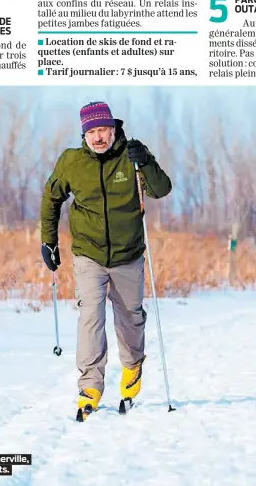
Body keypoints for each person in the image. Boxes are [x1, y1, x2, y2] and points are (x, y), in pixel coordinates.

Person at [39, 101, 172, 420]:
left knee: (131, 319)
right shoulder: (72, 162)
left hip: (128, 254)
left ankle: (132, 368)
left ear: (114, 130)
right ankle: (90, 386)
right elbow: (51, 198)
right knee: (90, 316)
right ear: (84, 134)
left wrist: (148, 161)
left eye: (104, 130)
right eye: (92, 132)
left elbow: (161, 190)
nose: (99, 137)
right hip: (89, 254)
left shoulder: (132, 156)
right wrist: (49, 241)